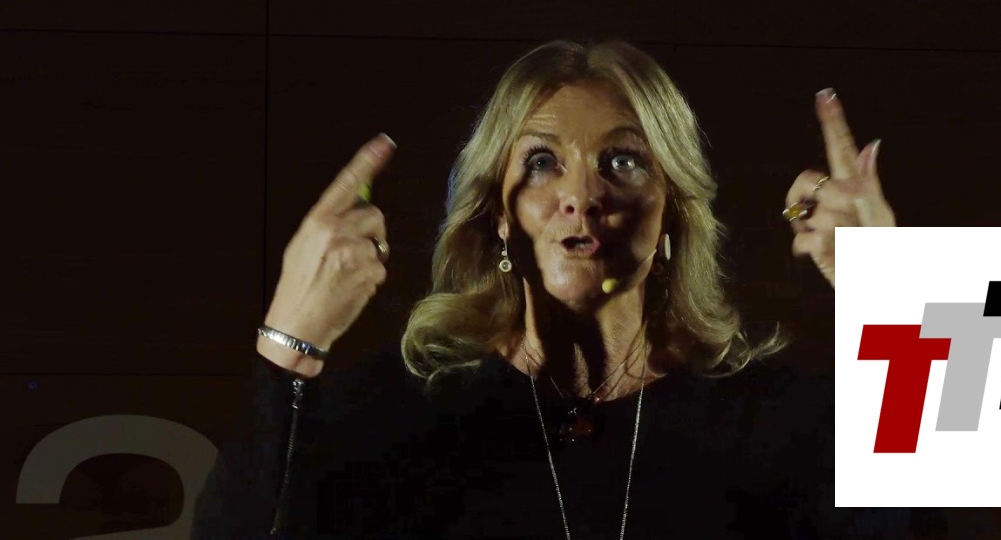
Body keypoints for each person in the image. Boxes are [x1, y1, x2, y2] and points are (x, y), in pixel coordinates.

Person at [191, 40, 904, 540]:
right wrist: (288, 342)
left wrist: (899, 293)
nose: (581, 195)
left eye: (622, 160)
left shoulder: (776, 423)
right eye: (540, 162)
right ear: (498, 213)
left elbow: (926, 526)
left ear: (671, 210)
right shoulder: (391, 417)